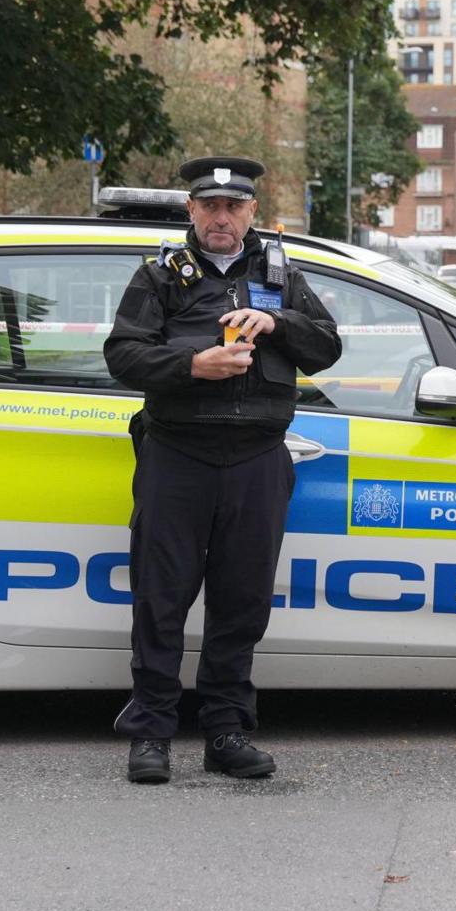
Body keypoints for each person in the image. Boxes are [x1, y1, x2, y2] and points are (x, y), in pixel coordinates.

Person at [104, 156, 341, 785]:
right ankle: (152, 732)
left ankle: (226, 730)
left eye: (234, 207)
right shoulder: (160, 275)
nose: (221, 217)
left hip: (257, 460)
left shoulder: (281, 274)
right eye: (209, 205)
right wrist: (193, 367)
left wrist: (279, 322)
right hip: (178, 455)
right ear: (191, 210)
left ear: (251, 213)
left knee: (242, 602)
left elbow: (327, 347)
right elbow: (123, 355)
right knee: (162, 598)